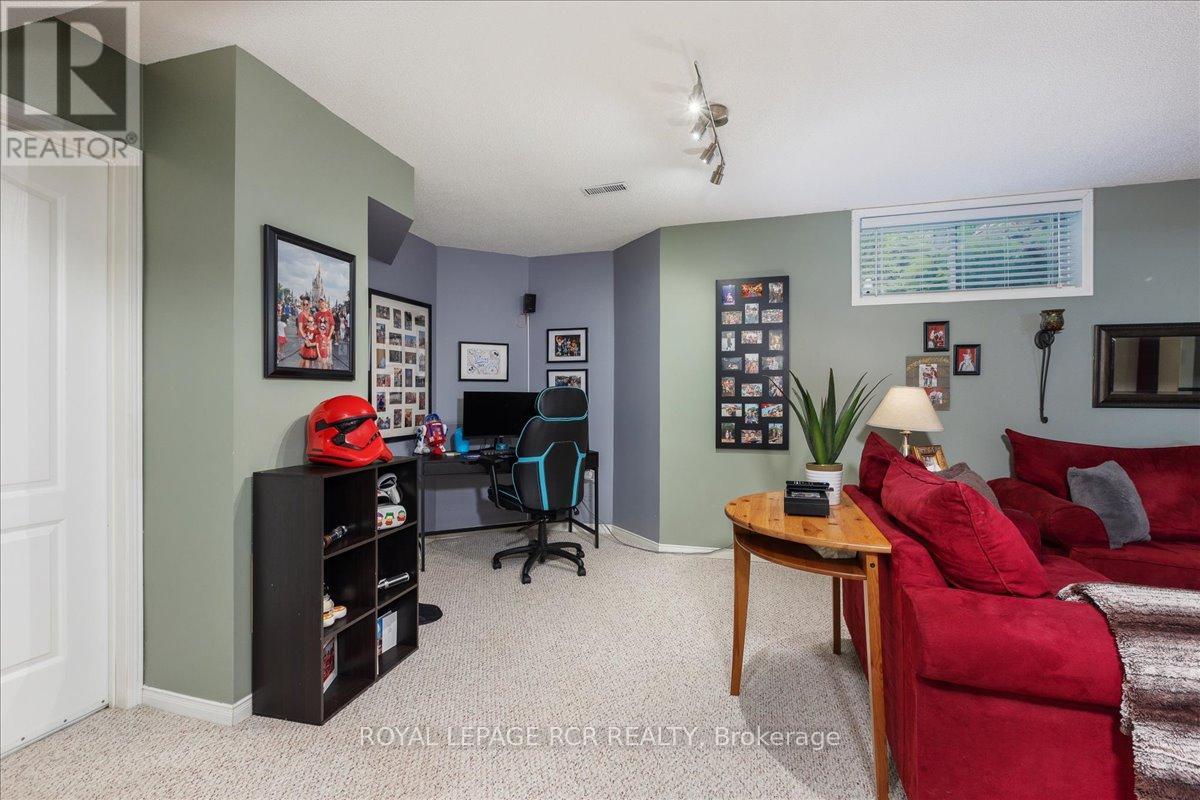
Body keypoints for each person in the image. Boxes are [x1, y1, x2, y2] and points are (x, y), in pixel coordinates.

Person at [296, 294, 318, 367]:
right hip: (303, 337)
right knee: (304, 358)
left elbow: (313, 324)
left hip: (310, 337)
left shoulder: (309, 314)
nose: (305, 306)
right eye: (304, 304)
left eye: (307, 304)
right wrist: (305, 338)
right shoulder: (301, 315)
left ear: (309, 305)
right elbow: (300, 328)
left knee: (307, 358)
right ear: (302, 305)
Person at [315, 297, 335, 369]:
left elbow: (332, 325)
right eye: (320, 302)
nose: (321, 303)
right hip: (320, 339)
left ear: (325, 303)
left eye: (322, 302)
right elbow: (315, 325)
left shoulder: (329, 313)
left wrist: (329, 336)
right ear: (318, 304)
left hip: (327, 338)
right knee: (320, 357)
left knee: (328, 356)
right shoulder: (317, 314)